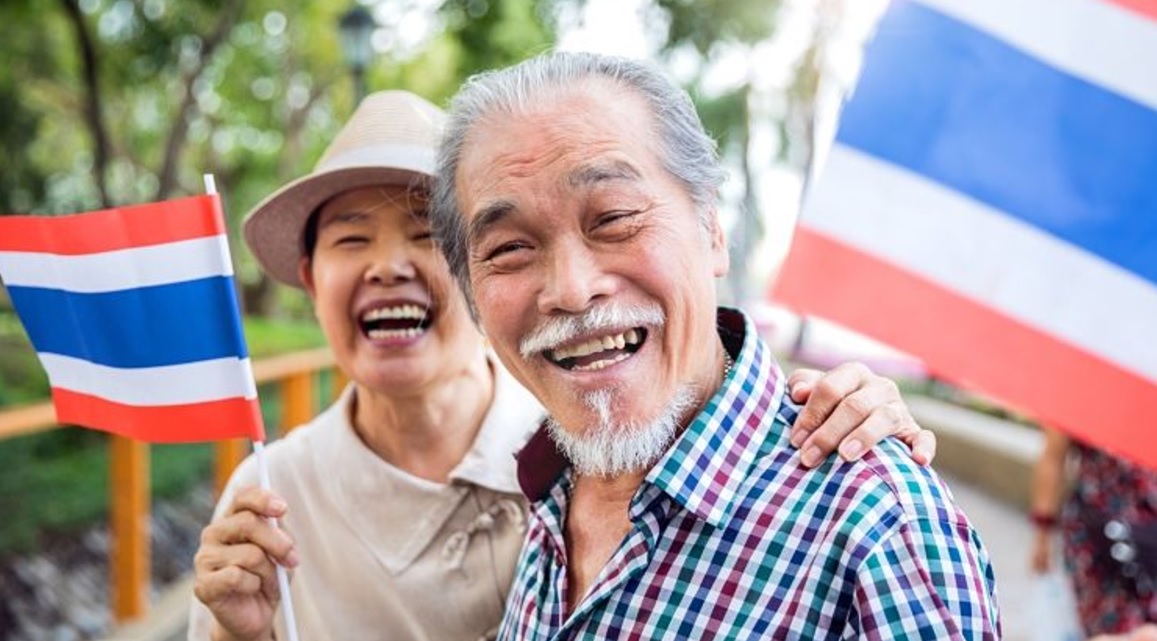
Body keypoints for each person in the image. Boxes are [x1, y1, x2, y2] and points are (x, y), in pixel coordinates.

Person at [187, 90, 940, 641]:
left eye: (422, 234)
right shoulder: (264, 495)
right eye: (351, 240)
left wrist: (850, 417)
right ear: (311, 278)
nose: (387, 267)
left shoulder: (594, 438)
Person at [429, 51, 1001, 639]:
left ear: (712, 230)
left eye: (615, 218)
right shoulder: (549, 493)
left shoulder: (878, 527)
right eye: (509, 249)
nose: (572, 291)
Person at [1031, 425, 1157, 635]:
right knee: (1111, 627)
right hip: (1098, 535)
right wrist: (1042, 533)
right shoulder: (1083, 394)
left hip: (1147, 537)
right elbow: (1053, 458)